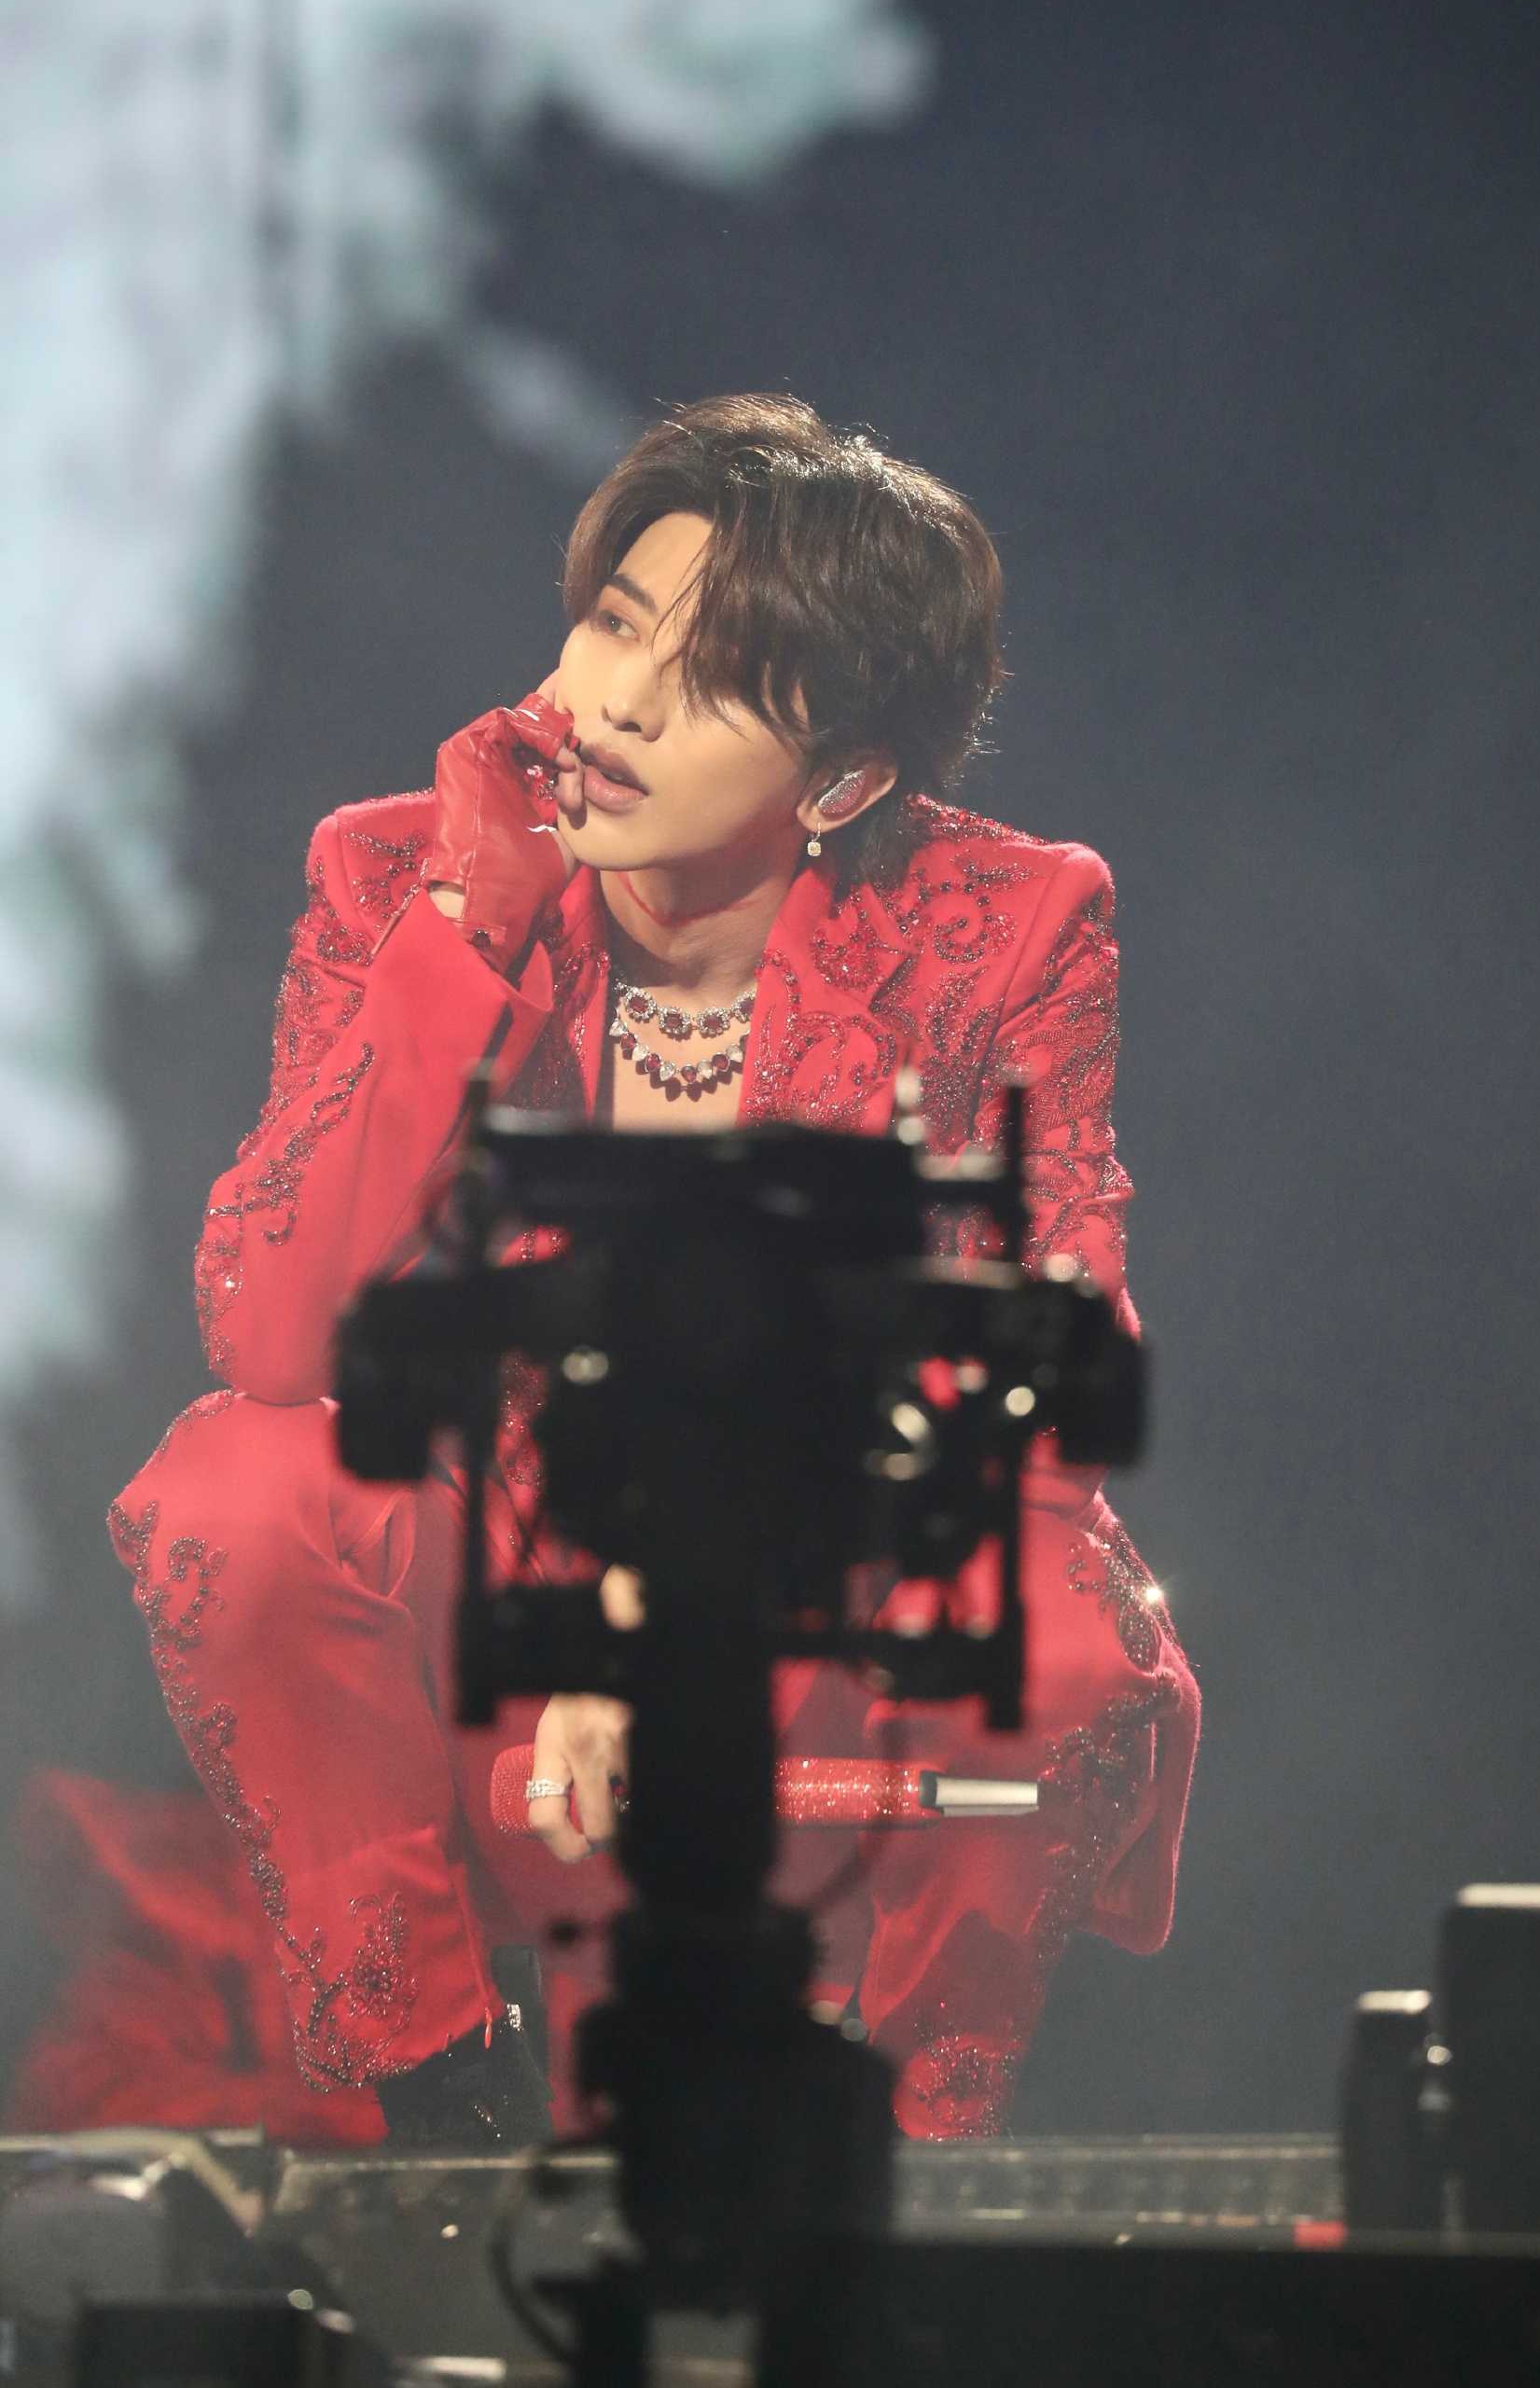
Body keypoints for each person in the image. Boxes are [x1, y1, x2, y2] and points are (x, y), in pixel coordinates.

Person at [109, 394, 1199, 2145]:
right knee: (234, 1483)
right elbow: (273, 1330)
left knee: (1052, 1624)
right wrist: (468, 934)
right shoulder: (397, 876)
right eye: (616, 625)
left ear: (842, 780)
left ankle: (905, 2153)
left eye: (712, 681)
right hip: (496, 1668)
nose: (616, 704)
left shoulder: (1001, 930)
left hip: (821, 1660)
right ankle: (443, 2107)